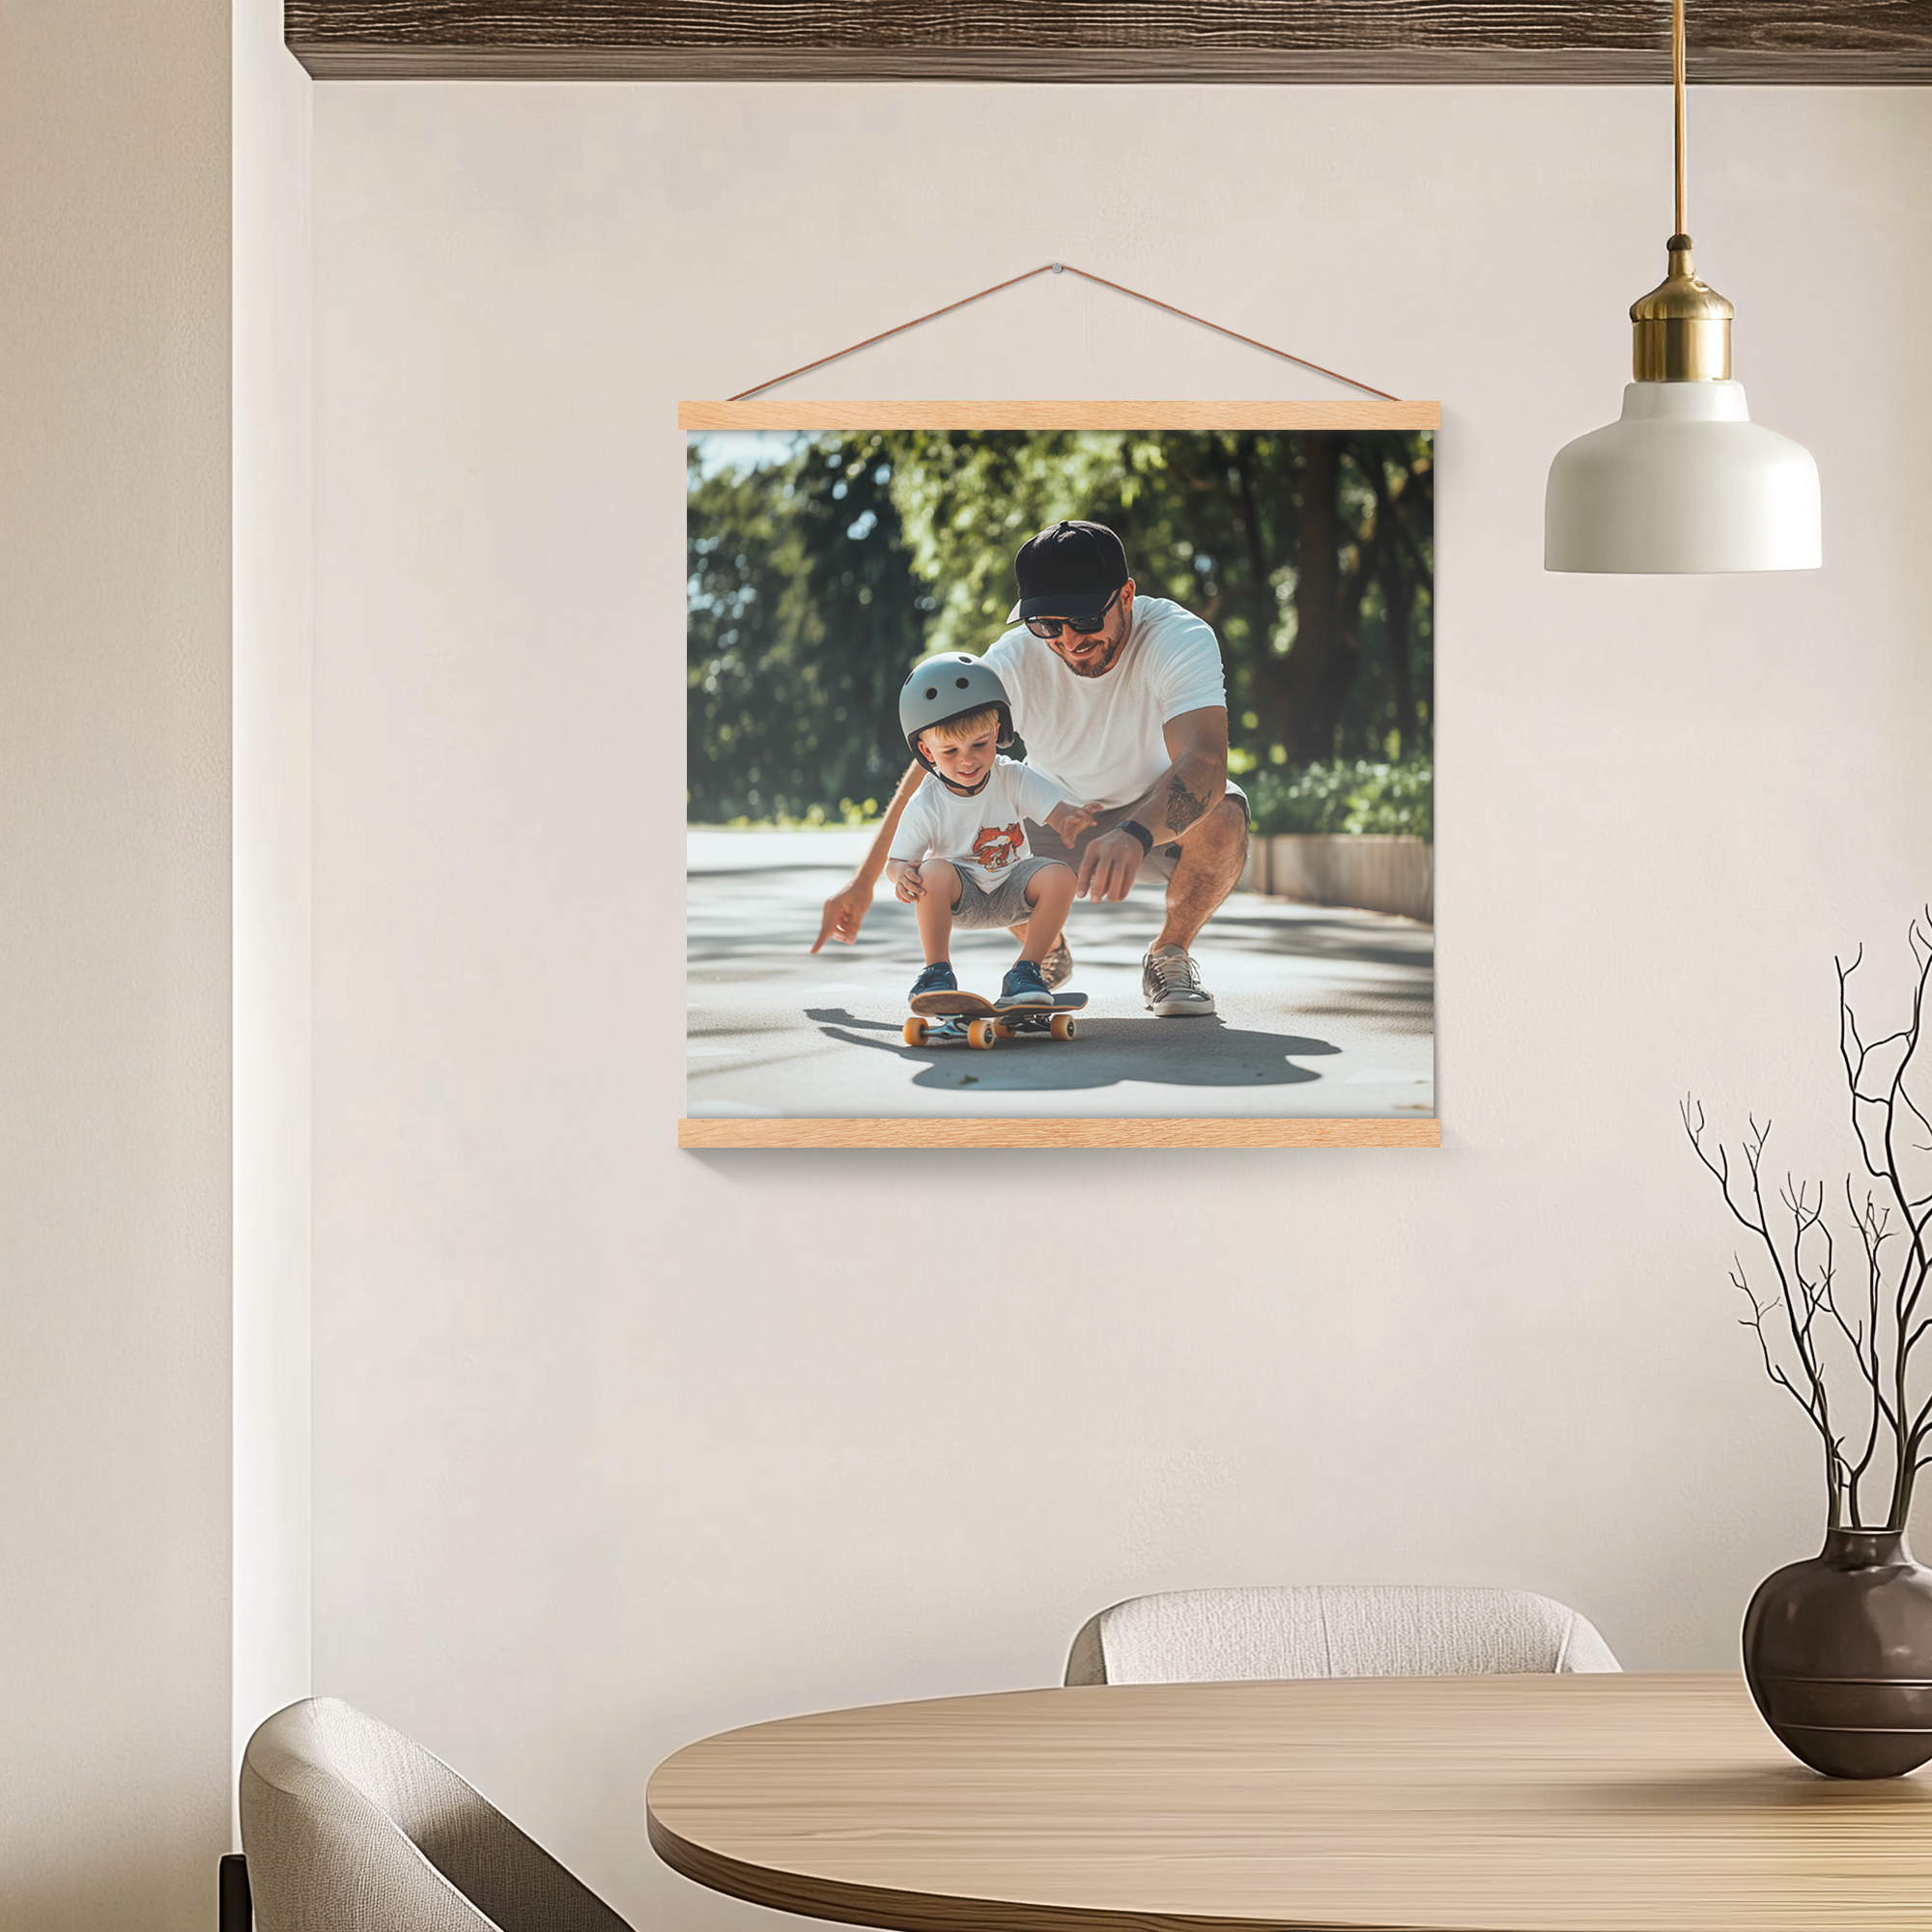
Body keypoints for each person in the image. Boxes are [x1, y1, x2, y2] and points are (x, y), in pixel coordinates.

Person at [813, 519, 1248, 1017]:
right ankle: (1043, 955)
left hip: (1153, 818)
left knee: (1224, 815)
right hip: (1048, 816)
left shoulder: (1178, 637)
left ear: (1126, 595)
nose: (1068, 640)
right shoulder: (1012, 661)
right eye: (1046, 625)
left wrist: (1134, 832)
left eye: (1085, 618)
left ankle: (1169, 954)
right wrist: (863, 882)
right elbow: (935, 769)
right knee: (964, 816)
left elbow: (1206, 761)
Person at [886, 653, 1096, 1009]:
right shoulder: (926, 802)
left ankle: (1026, 971)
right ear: (926, 751)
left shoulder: (1010, 776)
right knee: (932, 869)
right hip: (961, 897)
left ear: (997, 732)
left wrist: (1068, 820)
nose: (967, 760)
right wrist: (902, 874)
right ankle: (937, 972)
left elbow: (1054, 810)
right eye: (950, 750)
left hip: (1014, 888)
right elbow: (896, 861)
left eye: (979, 745)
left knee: (1061, 876)